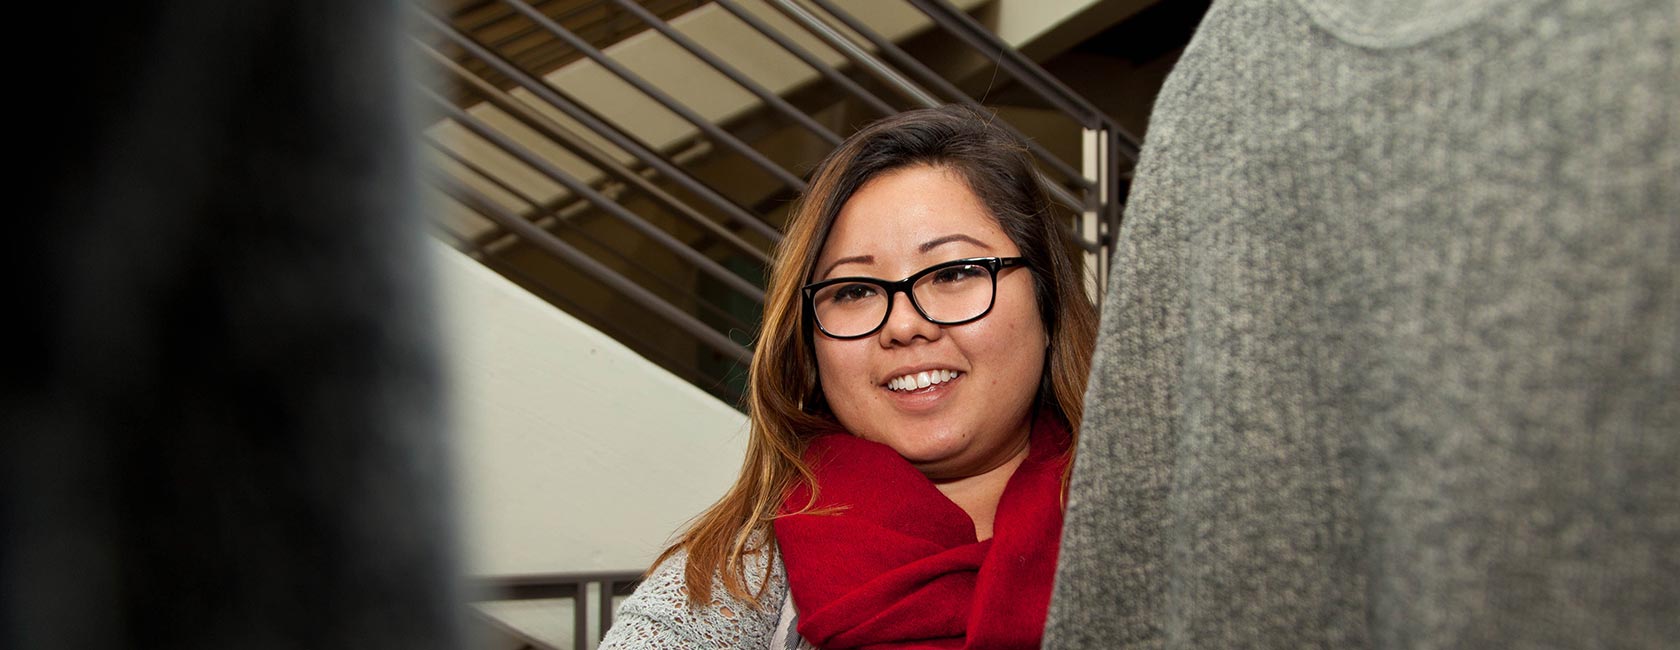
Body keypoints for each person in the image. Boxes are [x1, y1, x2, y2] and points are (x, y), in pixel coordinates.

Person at [1045, 0, 1678, 647]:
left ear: (1047, 290)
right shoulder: (1220, 80)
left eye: (957, 272)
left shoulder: (1224, 81)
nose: (929, 321)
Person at [602, 105, 1098, 648]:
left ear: (1047, 304)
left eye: (955, 272)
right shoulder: (725, 586)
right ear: (810, 345)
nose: (905, 325)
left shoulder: (1172, 528)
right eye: (855, 291)